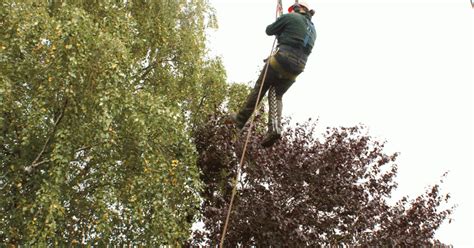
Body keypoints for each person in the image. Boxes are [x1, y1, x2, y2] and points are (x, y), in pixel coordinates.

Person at [230, 1, 317, 147]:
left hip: (281, 60)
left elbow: (269, 30)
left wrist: (281, 21)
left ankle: (239, 122)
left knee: (260, 89)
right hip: (297, 69)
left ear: (297, 9)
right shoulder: (313, 30)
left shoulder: (291, 17)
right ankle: (274, 128)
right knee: (276, 95)